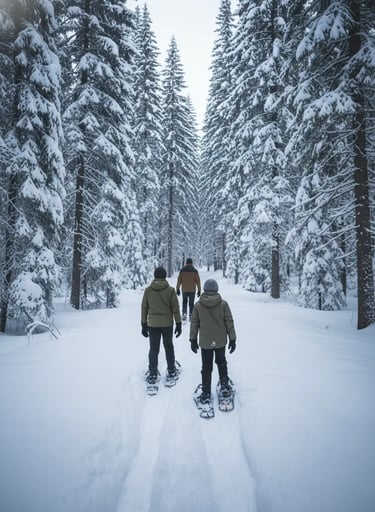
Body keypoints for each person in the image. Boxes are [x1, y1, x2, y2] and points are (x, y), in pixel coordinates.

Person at [189, 278, 236, 404]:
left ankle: (206, 393)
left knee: (206, 367)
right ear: (216, 289)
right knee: (221, 362)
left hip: (205, 342)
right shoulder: (223, 304)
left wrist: (193, 339)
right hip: (220, 341)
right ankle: (225, 387)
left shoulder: (198, 305)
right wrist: (232, 339)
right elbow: (229, 322)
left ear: (205, 289)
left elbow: (194, 323)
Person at [141, 266, 182, 384]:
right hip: (167, 324)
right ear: (164, 276)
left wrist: (143, 324)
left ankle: (153, 373)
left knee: (154, 349)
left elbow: (144, 308)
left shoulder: (148, 290)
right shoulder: (170, 290)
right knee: (168, 347)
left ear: (154, 276)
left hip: (152, 324)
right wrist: (178, 323)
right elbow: (175, 308)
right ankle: (171, 370)